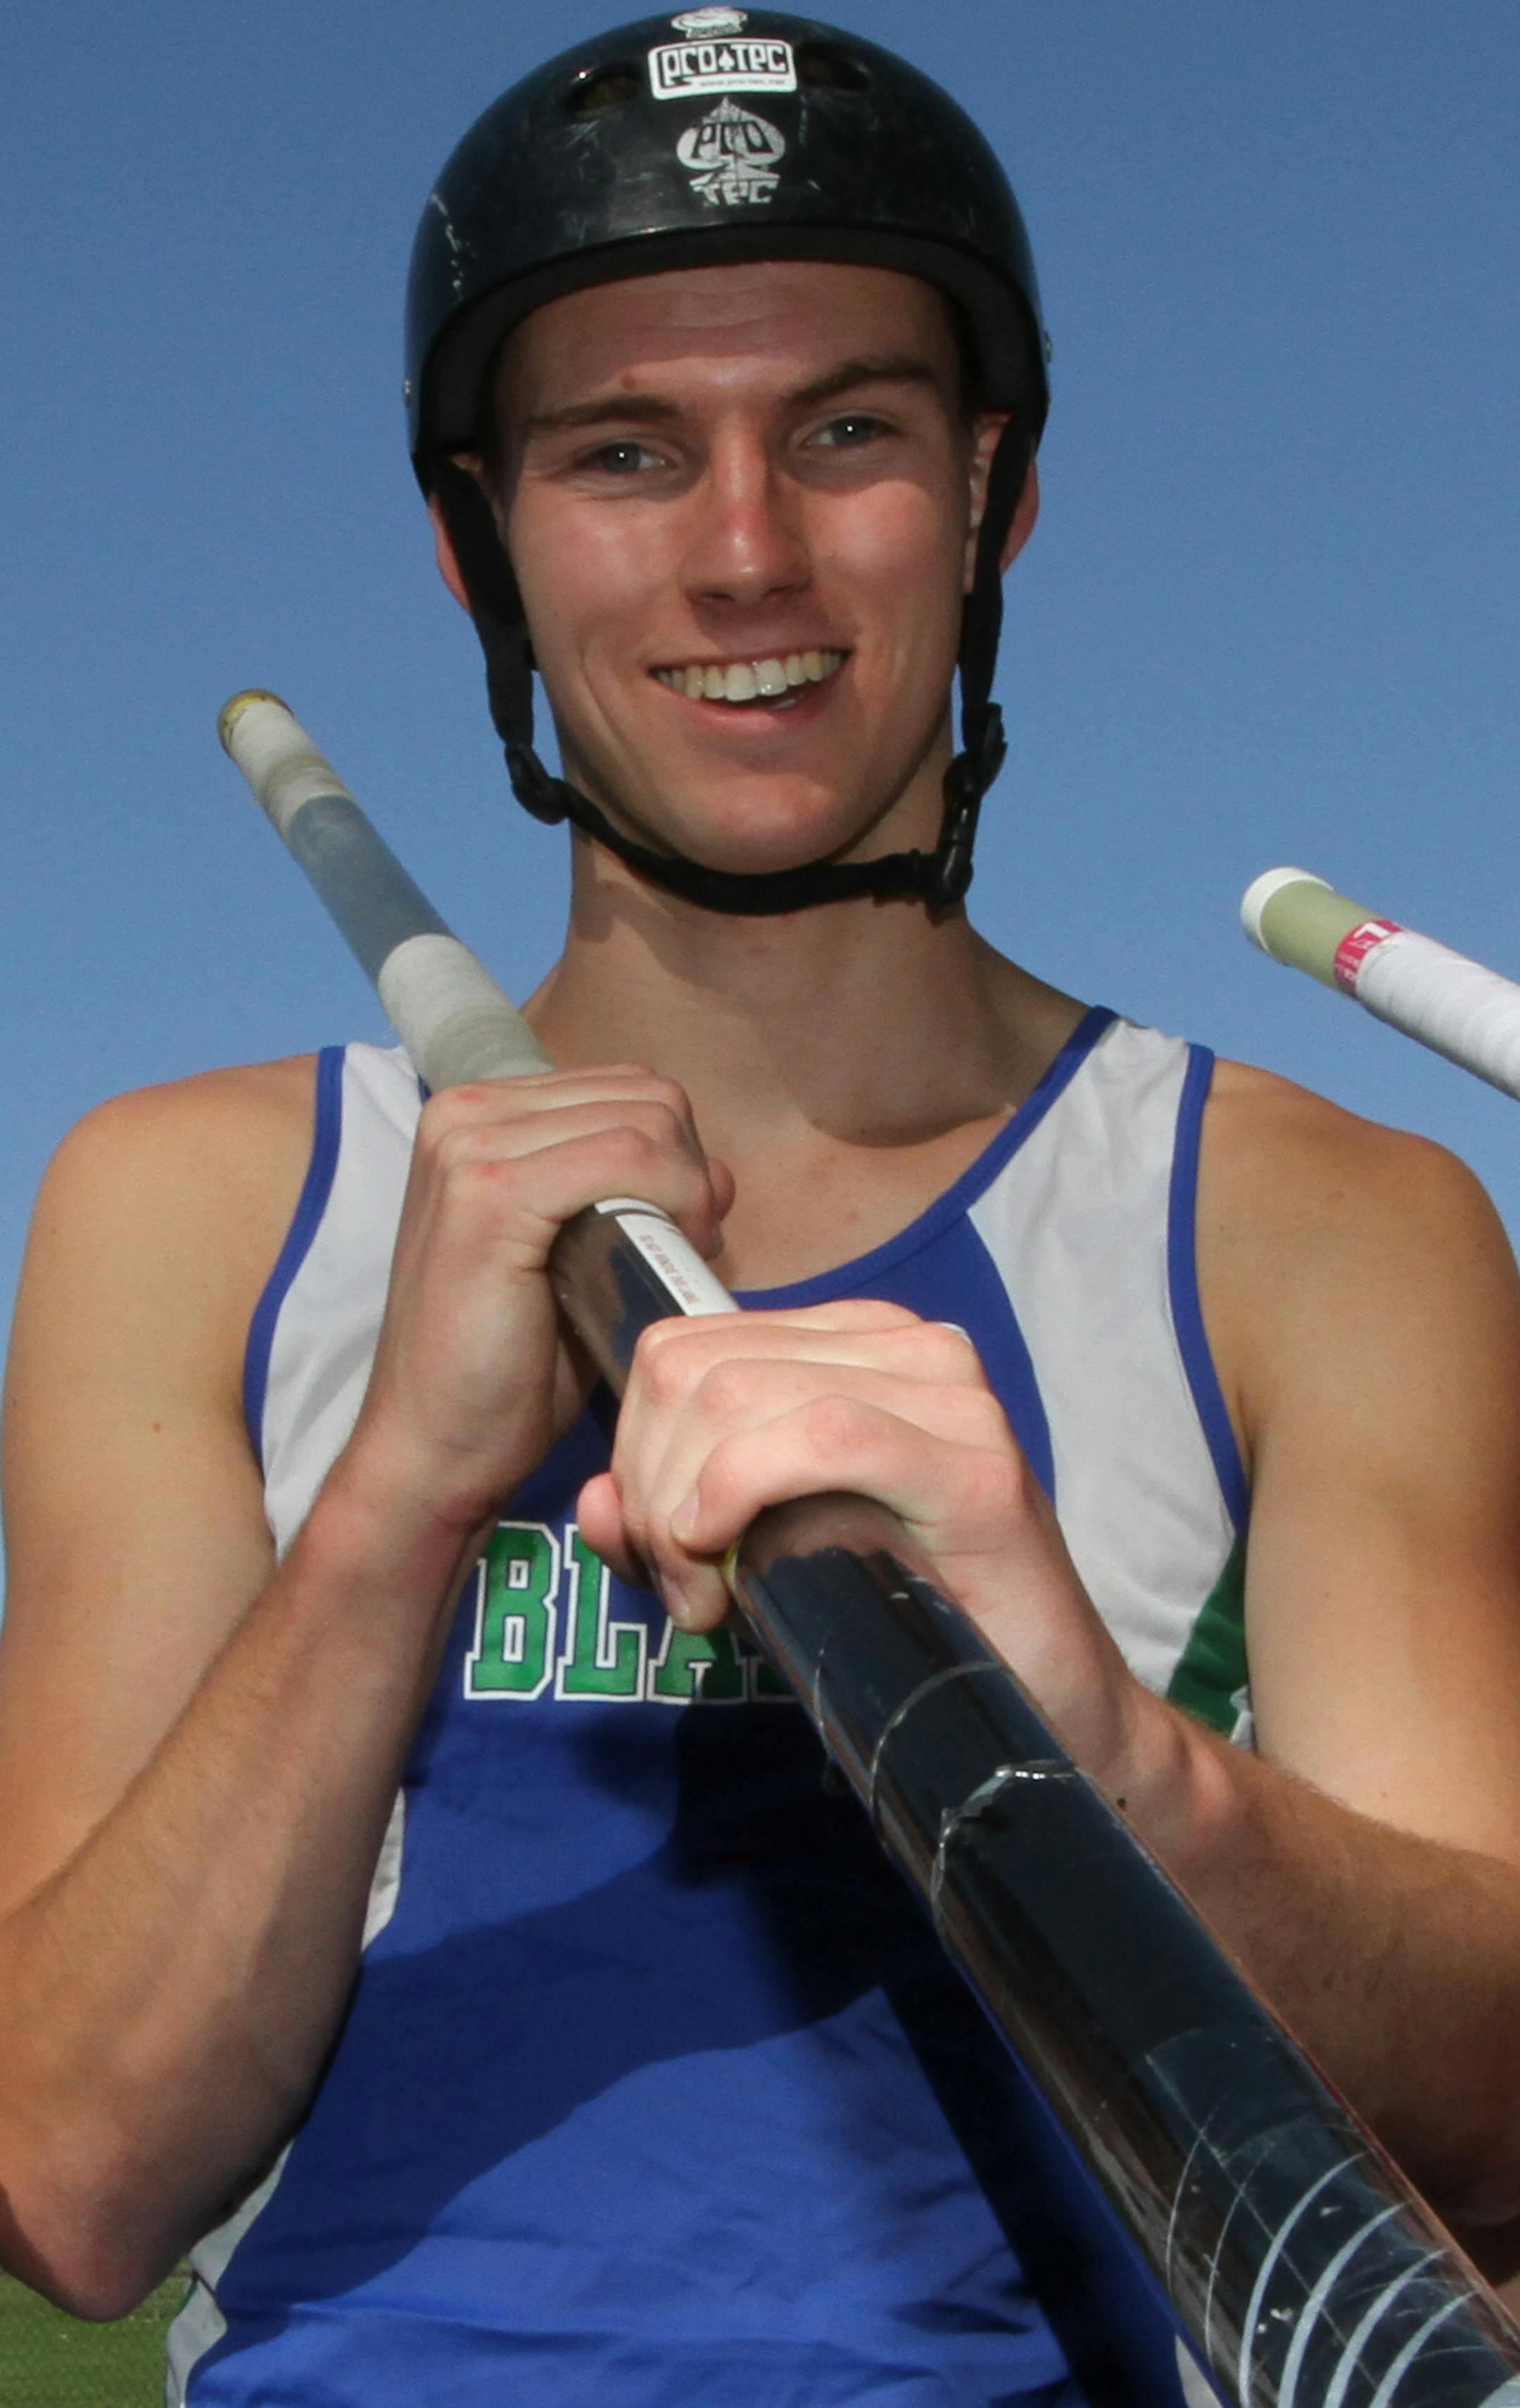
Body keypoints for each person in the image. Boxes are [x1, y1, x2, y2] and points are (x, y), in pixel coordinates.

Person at [3, 11, 1520, 2404]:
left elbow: (1495, 2102)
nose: (744, 552)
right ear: (476, 538)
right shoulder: (190, 1207)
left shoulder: (1319, 1225)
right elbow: (70, 2184)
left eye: (846, 433)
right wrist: (405, 1490)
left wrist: (1123, 1766)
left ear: (992, 490)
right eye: (625, 453)